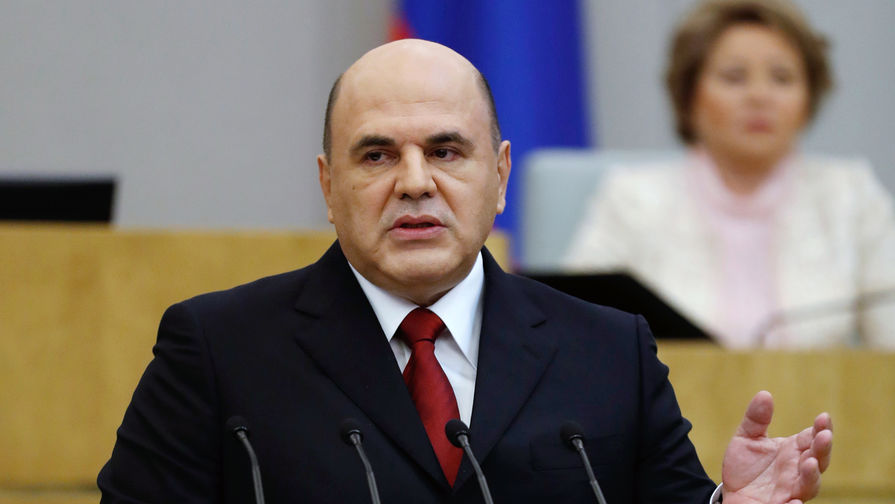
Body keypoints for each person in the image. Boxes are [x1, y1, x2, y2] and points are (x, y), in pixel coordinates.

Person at [98, 39, 832, 503]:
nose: (415, 182)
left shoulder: (612, 351)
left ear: (500, 176)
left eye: (446, 151)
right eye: (377, 155)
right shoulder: (219, 349)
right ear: (327, 185)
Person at [565, 0, 895, 349]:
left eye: (782, 78)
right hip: (673, 386)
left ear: (808, 99)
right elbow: (574, 331)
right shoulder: (632, 199)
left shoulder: (851, 197)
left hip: (820, 387)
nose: (759, 96)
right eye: (734, 77)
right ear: (689, 96)